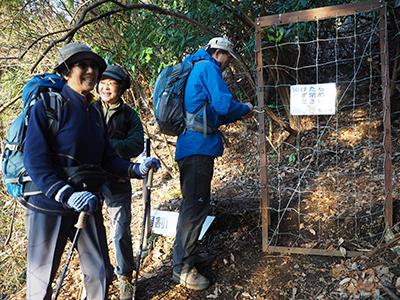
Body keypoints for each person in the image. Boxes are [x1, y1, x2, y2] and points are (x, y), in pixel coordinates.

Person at [21, 42, 160, 300]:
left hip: (87, 202)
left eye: (94, 65)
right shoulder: (49, 106)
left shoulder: (94, 110)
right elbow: (35, 161)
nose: (91, 71)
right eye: (82, 65)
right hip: (48, 204)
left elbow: (107, 158)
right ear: (65, 72)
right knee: (41, 282)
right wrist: (66, 194)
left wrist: (136, 169)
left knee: (101, 274)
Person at [172, 37, 254, 290]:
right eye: (228, 58)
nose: (228, 64)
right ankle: (183, 269)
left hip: (193, 146)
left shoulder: (197, 66)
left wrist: (237, 113)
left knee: (194, 204)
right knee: (194, 207)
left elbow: (212, 112)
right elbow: (222, 103)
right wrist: (244, 108)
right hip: (196, 148)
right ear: (219, 53)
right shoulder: (208, 67)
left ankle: (188, 255)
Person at [95, 65, 144, 300]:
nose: (105, 87)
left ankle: (125, 277)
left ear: (121, 89)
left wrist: (107, 148)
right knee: (92, 231)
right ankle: (98, 277)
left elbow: (137, 144)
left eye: (111, 84)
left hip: (118, 177)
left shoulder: (128, 115)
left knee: (120, 229)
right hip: (90, 180)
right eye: (102, 82)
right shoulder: (88, 108)